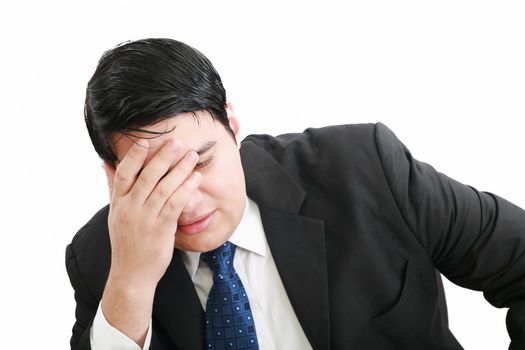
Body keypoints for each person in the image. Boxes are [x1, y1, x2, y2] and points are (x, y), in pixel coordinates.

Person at [66, 38, 525, 350]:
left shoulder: (364, 168)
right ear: (113, 174)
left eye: (202, 162)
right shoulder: (99, 261)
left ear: (232, 124)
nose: (188, 201)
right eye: (157, 180)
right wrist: (131, 283)